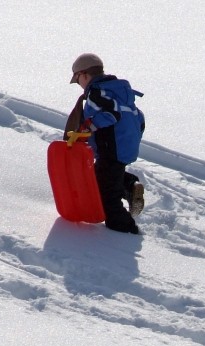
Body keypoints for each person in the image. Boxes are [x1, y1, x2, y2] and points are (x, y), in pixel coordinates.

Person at [65, 53, 146, 235]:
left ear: (84, 75)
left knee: (107, 197)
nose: (80, 85)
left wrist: (89, 126)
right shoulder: (118, 90)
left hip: (111, 148)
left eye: (78, 80)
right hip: (124, 146)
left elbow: (112, 113)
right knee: (99, 176)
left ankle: (126, 230)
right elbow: (139, 117)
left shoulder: (96, 92)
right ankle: (130, 186)